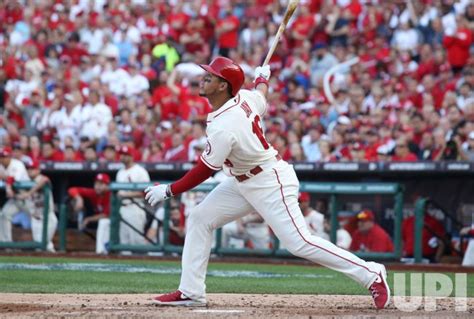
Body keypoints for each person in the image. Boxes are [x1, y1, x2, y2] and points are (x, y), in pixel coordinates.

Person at [144, 57, 390, 309]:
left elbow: (205, 170)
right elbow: (260, 95)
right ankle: (191, 291)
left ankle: (371, 273)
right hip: (242, 180)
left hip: (269, 181)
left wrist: (169, 190)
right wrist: (262, 79)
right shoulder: (246, 98)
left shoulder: (224, 125)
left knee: (299, 242)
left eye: (211, 76)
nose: (204, 78)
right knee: (199, 218)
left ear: (223, 86)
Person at [16, 160, 57, 252]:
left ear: (38, 170)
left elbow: (45, 180)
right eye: (29, 169)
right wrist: (19, 194)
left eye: (33, 169)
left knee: (42, 243)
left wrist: (29, 193)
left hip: (48, 218)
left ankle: (52, 259)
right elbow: (13, 183)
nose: (30, 171)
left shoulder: (40, 178)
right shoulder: (25, 181)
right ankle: (52, 261)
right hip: (35, 219)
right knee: (43, 245)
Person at [68, 173, 111, 254]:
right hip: (105, 225)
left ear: (107, 185)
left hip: (118, 223)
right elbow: (72, 189)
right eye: (96, 183)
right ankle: (101, 251)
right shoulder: (94, 193)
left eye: (101, 184)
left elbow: (107, 215)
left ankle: (101, 252)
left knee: (103, 222)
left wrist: (88, 219)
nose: (98, 186)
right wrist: (78, 198)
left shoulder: (111, 194)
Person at [117, 145, 150, 246]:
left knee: (136, 241)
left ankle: (146, 260)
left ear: (131, 156)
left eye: (125, 155)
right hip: (123, 208)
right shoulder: (120, 172)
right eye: (121, 154)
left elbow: (146, 192)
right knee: (124, 242)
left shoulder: (140, 171)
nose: (122, 157)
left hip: (135, 207)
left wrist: (126, 195)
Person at [0, 146, 31, 243]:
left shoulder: (17, 164)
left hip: (27, 196)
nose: (2, 159)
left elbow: (13, 179)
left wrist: (4, 178)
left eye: (4, 157)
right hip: (15, 198)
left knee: (36, 218)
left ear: (9, 157)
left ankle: (46, 246)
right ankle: (6, 243)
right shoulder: (1, 166)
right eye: (1, 157)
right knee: (5, 215)